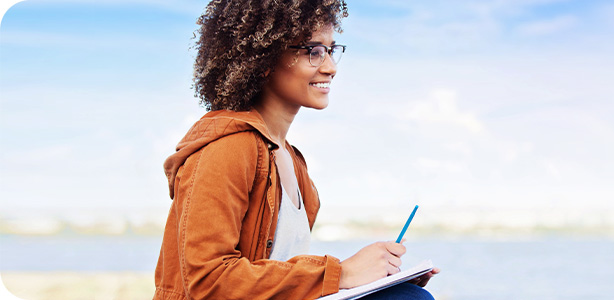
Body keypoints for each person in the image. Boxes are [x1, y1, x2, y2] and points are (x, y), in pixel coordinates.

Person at [153, 1, 438, 299]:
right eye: (313, 52)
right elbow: (207, 281)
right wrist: (341, 274)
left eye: (331, 50)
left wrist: (372, 283)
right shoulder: (228, 148)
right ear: (263, 59)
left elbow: (279, 281)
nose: (330, 67)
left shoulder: (292, 161)